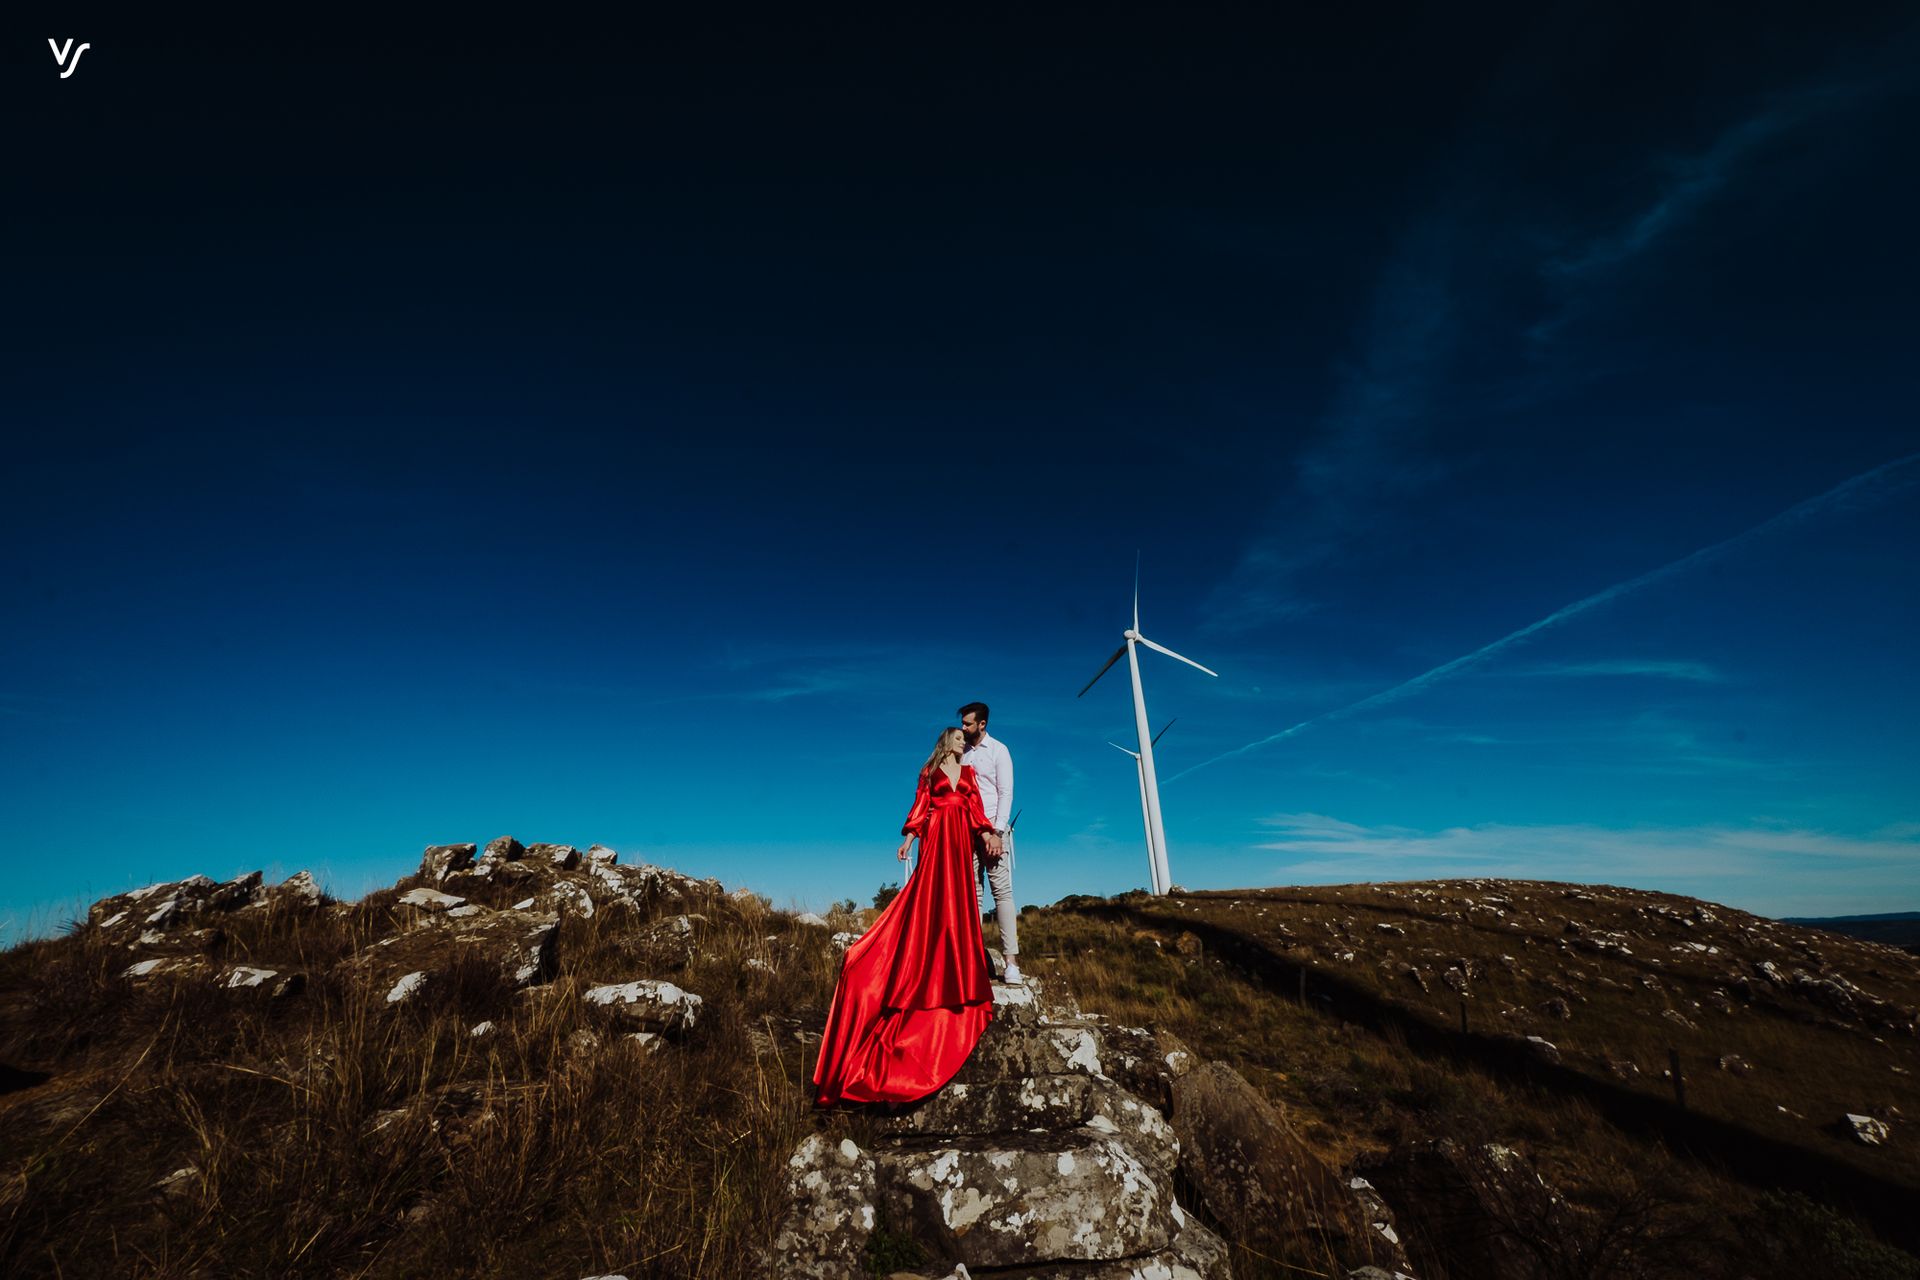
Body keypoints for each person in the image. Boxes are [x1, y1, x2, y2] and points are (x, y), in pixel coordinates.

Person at [812, 727, 997, 1106]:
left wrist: (989, 833)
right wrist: (908, 840)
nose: (966, 741)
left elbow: (976, 810)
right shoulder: (929, 772)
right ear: (947, 741)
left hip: (962, 837)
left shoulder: (971, 775)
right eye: (960, 737)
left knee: (961, 899)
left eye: (967, 737)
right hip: (937, 835)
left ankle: (960, 968)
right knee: (929, 897)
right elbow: (920, 806)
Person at [959, 701, 1019, 984]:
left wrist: (996, 831)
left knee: (1002, 893)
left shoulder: (999, 751)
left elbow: (1005, 793)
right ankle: (973, 960)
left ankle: (1011, 964)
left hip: (994, 832)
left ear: (982, 724)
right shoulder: (961, 753)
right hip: (967, 833)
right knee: (973, 895)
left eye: (968, 723)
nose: (963, 727)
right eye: (962, 723)